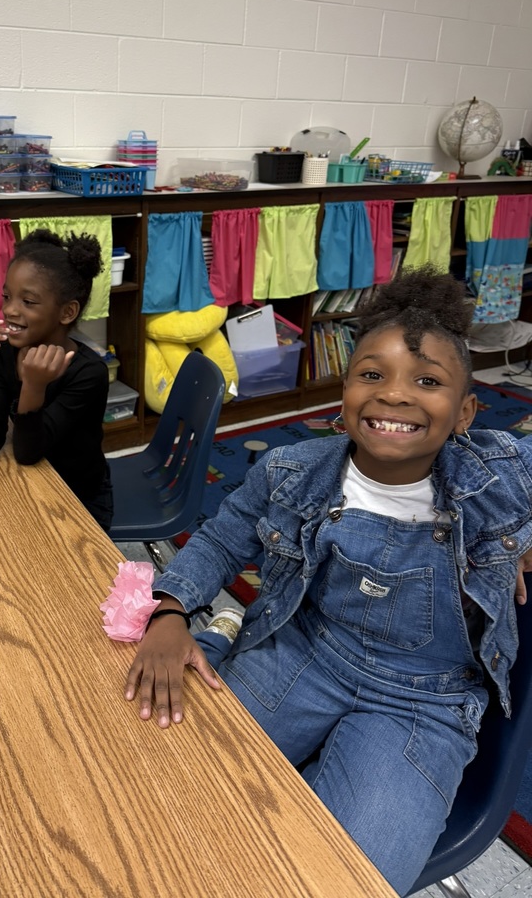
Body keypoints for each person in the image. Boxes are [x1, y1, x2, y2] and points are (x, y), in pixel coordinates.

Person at [124, 266, 532, 896]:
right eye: (372, 374)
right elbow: (225, 536)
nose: (394, 394)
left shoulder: (498, 472)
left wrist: (526, 535)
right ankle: (222, 637)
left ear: (464, 412)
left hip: (424, 703)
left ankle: (226, 642)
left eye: (428, 381)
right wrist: (170, 608)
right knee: (165, 789)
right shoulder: (292, 470)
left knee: (347, 877)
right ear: (342, 395)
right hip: (305, 653)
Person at [0, 228, 113, 531]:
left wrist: (33, 386)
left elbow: (28, 452)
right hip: (27, 487)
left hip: (79, 499)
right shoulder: (2, 353)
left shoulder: (89, 373)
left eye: (28, 301)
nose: (9, 310)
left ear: (67, 312)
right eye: (7, 296)